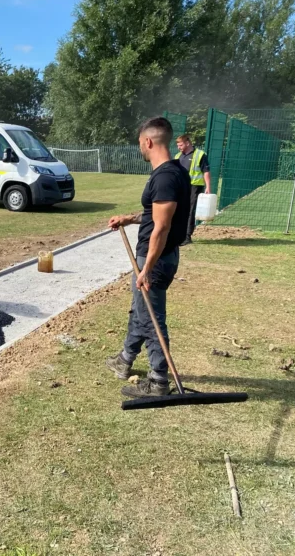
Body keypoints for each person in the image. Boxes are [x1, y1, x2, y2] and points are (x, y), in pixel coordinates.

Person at [106, 117, 190, 398]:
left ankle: (158, 381)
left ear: (149, 142)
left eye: (140, 143)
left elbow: (162, 227)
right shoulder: (174, 171)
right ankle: (125, 359)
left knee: (152, 319)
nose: (140, 148)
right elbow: (155, 215)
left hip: (156, 259)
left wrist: (147, 268)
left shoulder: (165, 176)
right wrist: (128, 219)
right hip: (157, 257)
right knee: (141, 311)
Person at [174, 134, 211, 245]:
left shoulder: (200, 155)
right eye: (177, 145)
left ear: (187, 143)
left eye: (180, 145)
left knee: (190, 210)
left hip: (194, 186)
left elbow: (206, 171)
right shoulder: (177, 156)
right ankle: (178, 235)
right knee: (179, 210)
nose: (178, 147)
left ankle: (187, 236)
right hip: (181, 187)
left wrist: (208, 186)